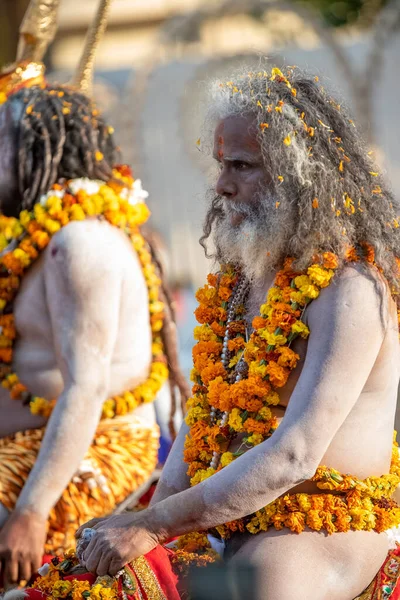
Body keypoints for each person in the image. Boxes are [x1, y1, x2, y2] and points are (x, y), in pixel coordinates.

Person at [22, 65, 400, 600]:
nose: (221, 186)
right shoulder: (245, 278)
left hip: (321, 523)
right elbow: (203, 418)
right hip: (221, 512)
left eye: (242, 167)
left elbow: (295, 455)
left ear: (301, 173)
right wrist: (150, 517)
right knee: (84, 581)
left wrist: (155, 525)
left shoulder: (351, 287)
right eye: (222, 165)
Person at [0, 2, 189, 587]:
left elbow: (84, 389)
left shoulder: (79, 242)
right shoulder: (44, 236)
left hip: (92, 461)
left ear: (36, 147)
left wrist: (30, 514)